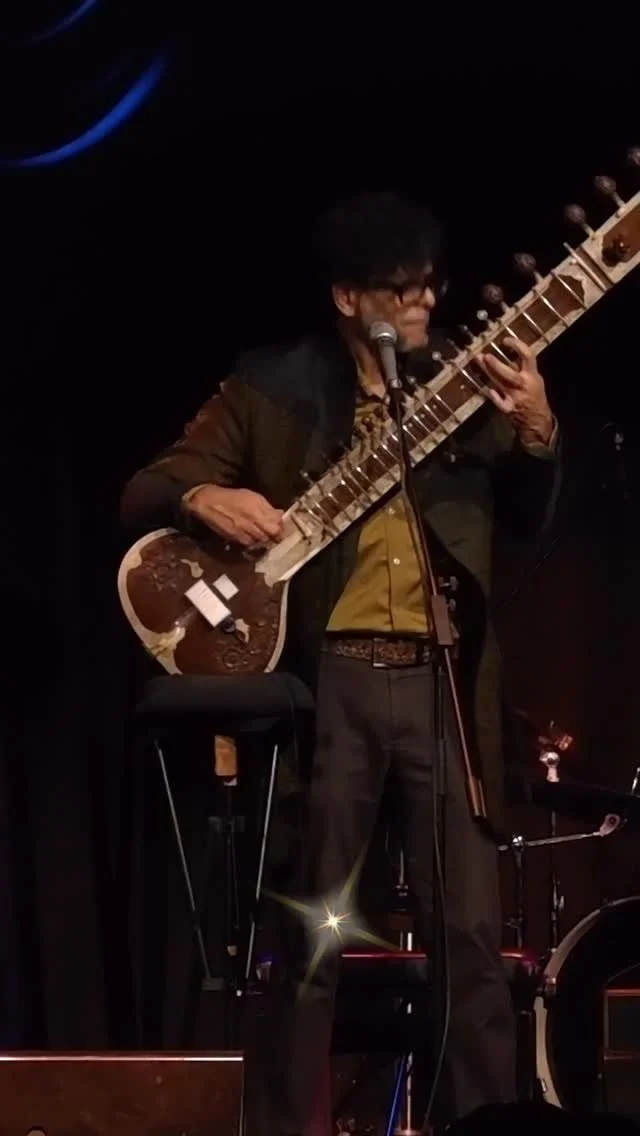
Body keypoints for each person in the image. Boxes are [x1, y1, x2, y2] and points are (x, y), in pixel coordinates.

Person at [120, 191, 560, 1135]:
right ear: (348, 297)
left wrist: (536, 431)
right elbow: (149, 486)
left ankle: (481, 1124)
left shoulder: (466, 379)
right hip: (331, 691)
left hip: (442, 685)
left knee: (469, 939)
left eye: (429, 287)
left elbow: (528, 520)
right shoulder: (274, 387)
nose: (422, 305)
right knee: (307, 937)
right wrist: (202, 498)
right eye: (399, 290)